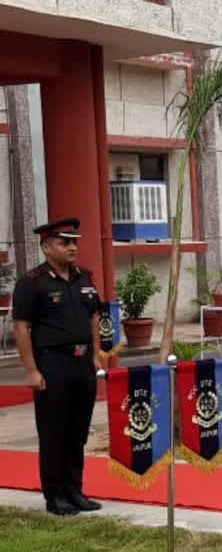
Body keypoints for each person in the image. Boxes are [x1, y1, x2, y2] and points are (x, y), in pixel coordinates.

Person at [12, 217, 104, 515]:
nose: (72, 247)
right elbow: (22, 328)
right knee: (54, 431)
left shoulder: (84, 278)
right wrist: (31, 370)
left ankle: (74, 490)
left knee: (78, 430)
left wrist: (95, 355)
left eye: (74, 241)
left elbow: (93, 318)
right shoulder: (32, 282)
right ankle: (54, 496)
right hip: (52, 362)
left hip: (82, 362)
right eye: (65, 243)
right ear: (47, 247)